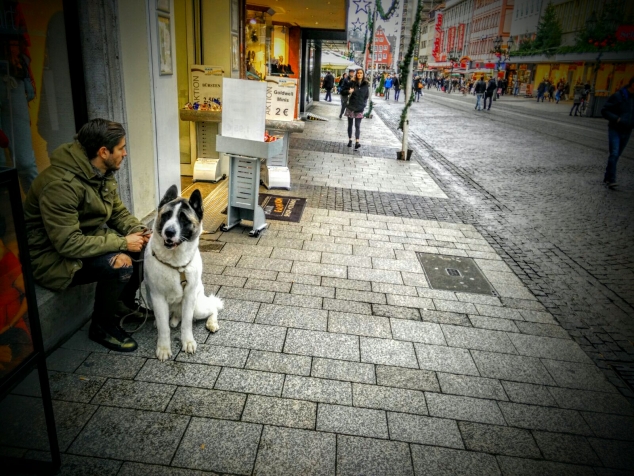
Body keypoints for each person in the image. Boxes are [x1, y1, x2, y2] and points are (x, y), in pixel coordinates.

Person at [23, 119, 151, 352]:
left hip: (83, 242)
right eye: (121, 148)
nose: (125, 153)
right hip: (52, 258)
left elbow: (117, 212)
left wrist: (139, 232)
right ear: (103, 152)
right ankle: (102, 326)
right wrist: (122, 242)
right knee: (120, 263)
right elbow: (67, 244)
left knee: (142, 245)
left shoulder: (99, 171)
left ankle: (122, 304)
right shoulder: (60, 185)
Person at [600, 77, 634, 189]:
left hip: (627, 130)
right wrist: (616, 119)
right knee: (614, 153)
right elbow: (605, 110)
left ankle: (607, 176)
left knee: (616, 155)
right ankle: (611, 179)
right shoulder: (619, 96)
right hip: (615, 128)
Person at [343, 69, 369, 150]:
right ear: (356, 74)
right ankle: (350, 140)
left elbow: (366, 96)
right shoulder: (352, 83)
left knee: (357, 125)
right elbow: (342, 91)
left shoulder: (365, 84)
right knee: (350, 124)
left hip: (360, 108)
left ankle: (357, 142)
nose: (359, 74)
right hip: (351, 106)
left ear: (363, 74)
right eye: (358, 73)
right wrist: (348, 91)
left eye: (361, 73)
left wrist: (364, 105)